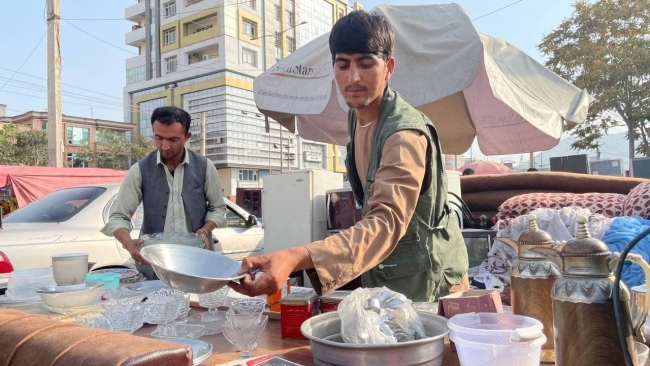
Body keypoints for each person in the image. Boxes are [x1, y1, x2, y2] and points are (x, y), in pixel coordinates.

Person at [230, 10, 469, 302]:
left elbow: (386, 221)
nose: (353, 77)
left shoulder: (404, 134)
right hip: (385, 274)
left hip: (429, 285)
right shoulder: (356, 119)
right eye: (343, 65)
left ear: (389, 67)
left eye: (366, 64)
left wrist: (296, 256)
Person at [101, 106, 227, 277]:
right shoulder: (140, 170)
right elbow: (118, 217)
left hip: (197, 264)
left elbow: (218, 208)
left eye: (173, 139)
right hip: (155, 266)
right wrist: (129, 244)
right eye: (158, 138)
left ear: (187, 137)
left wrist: (205, 230)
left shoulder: (205, 167)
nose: (165, 146)